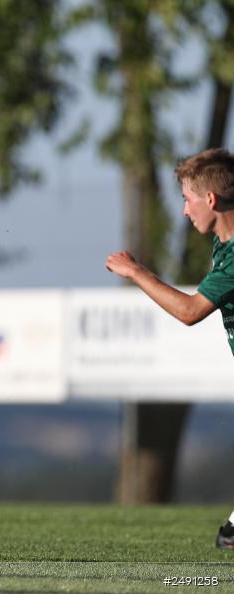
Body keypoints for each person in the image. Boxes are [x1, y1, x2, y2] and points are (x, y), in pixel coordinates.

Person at [105, 147, 234, 550]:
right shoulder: (222, 245)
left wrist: (136, 272)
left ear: (210, 200)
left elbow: (191, 311)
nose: (184, 210)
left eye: (186, 199)